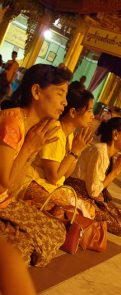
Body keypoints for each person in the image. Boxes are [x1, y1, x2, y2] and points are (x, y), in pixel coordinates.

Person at [0, 64, 71, 266]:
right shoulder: (12, 122)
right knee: (18, 252)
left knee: (56, 230)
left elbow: (13, 187)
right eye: (60, 93)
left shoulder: (35, 128)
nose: (65, 102)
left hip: (6, 201)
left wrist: (30, 150)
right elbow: (5, 184)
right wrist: (28, 149)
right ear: (37, 91)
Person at [21, 89, 94, 218]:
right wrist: (74, 152)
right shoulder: (55, 130)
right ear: (72, 112)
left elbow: (65, 174)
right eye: (89, 111)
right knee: (73, 213)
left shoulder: (69, 134)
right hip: (32, 183)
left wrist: (76, 152)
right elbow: (53, 177)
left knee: (89, 210)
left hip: (51, 186)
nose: (92, 116)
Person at [65, 117, 121, 235]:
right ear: (115, 134)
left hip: (89, 195)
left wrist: (116, 170)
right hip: (77, 194)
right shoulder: (100, 152)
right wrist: (116, 171)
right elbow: (94, 192)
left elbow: (102, 187)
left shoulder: (108, 154)